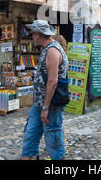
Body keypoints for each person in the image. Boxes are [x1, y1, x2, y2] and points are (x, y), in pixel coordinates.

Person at [21, 20, 68, 160]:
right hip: (39, 104)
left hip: (51, 105)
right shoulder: (47, 49)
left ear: (37, 34)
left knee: (53, 140)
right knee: (30, 134)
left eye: (32, 33)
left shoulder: (53, 51)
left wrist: (46, 107)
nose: (31, 36)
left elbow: (53, 81)